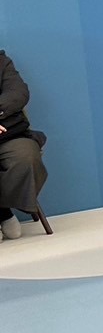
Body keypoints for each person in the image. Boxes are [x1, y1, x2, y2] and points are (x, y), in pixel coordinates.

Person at [0, 50, 47, 241]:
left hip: (9, 134)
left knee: (26, 158)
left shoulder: (2, 62)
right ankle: (3, 213)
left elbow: (17, 94)